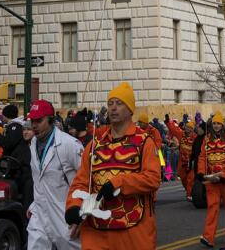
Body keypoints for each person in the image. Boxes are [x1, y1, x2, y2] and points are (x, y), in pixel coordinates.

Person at [65, 82, 161, 250]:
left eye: (119, 103)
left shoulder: (145, 142)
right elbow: (81, 182)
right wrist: (73, 206)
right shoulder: (94, 145)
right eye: (110, 104)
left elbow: (153, 178)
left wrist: (119, 183)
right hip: (96, 231)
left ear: (130, 109)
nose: (113, 108)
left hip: (134, 230)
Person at [25, 99, 83, 250]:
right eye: (32, 121)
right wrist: (34, 205)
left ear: (50, 120)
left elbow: (87, 179)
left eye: (39, 120)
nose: (34, 125)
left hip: (65, 215)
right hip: (39, 214)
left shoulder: (70, 144)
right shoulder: (32, 143)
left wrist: (82, 214)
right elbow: (38, 179)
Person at [197, 113, 225, 248]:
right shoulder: (207, 139)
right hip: (212, 180)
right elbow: (202, 157)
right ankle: (208, 237)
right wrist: (201, 172)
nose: (216, 126)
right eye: (214, 123)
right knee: (212, 208)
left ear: (223, 125)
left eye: (219, 123)